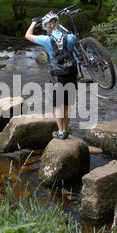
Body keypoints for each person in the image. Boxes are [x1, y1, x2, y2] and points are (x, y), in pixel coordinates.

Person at [25, 12, 77, 140]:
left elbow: (27, 35)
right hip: (71, 73)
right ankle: (66, 130)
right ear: (58, 24)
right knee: (67, 104)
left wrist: (34, 21)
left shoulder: (46, 39)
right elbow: (73, 41)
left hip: (57, 76)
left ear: (48, 26)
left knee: (58, 105)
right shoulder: (71, 38)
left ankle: (61, 132)